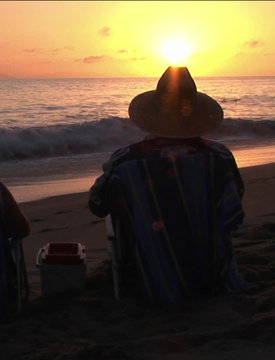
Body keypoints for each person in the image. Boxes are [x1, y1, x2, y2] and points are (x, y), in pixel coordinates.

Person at [88, 66, 245, 304]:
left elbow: (98, 204)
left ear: (151, 116)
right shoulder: (219, 157)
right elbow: (235, 200)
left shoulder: (127, 160)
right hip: (213, 275)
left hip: (150, 280)